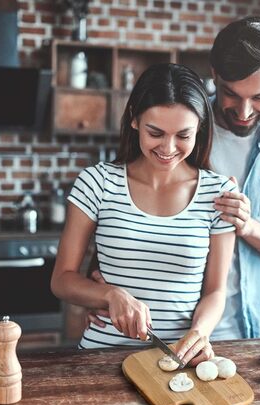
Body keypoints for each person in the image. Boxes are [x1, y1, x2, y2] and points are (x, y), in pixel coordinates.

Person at [87, 15, 260, 341]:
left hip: (243, 329)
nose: (243, 111)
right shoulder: (177, 128)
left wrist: (247, 226)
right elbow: (124, 204)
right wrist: (99, 288)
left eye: (259, 98)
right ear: (214, 76)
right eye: (231, 94)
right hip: (156, 331)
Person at [51, 63, 237, 366]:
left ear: (200, 128)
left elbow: (216, 291)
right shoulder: (97, 183)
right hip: (102, 358)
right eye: (156, 132)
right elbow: (62, 280)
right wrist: (110, 295)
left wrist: (200, 333)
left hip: (178, 359)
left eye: (183, 135)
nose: (168, 147)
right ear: (135, 118)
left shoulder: (218, 194)